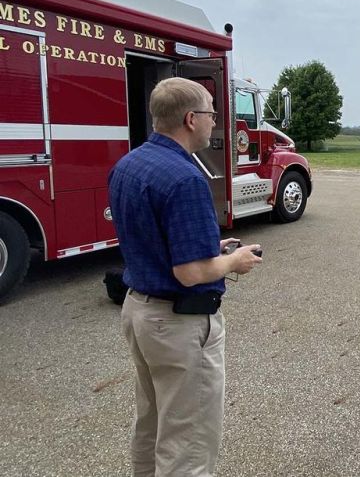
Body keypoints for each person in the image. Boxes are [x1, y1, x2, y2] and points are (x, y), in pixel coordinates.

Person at [109, 77, 262, 476]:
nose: (215, 122)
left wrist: (210, 243)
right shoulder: (186, 178)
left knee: (153, 422)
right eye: (212, 112)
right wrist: (234, 261)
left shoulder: (130, 164)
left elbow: (154, 236)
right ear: (191, 119)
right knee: (188, 444)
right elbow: (191, 272)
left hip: (140, 312)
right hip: (178, 325)